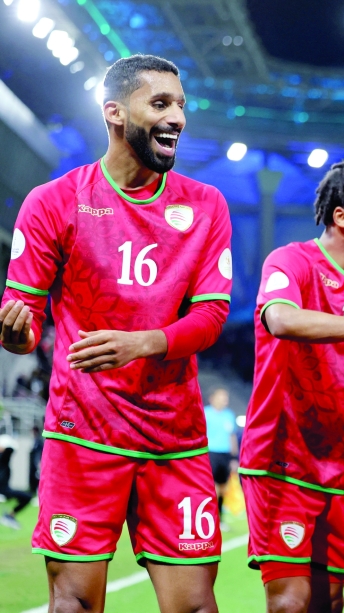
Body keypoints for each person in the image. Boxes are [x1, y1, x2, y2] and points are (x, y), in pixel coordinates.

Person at [0, 54, 232, 613]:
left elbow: (210, 318)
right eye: (160, 104)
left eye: (181, 105)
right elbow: (22, 319)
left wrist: (144, 341)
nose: (177, 116)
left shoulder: (205, 206)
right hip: (83, 433)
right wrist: (16, 334)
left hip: (173, 439)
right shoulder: (54, 202)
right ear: (114, 113)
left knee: (196, 606)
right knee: (73, 604)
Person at [239, 161, 344, 613]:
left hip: (343, 466)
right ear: (341, 216)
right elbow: (282, 319)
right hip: (282, 458)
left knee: (329, 599)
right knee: (290, 603)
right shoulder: (292, 261)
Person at [204, 388, 237, 522]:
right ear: (213, 398)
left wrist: (234, 458)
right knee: (211, 487)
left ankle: (220, 518)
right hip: (211, 453)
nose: (225, 400)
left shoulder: (229, 415)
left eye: (226, 397)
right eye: (222, 397)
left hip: (226, 454)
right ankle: (209, 518)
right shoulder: (205, 413)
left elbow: (232, 437)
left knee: (223, 487)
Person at [0, 434, 33, 530]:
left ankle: (10, 516)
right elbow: (10, 450)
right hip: (2, 490)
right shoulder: (2, 458)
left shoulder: (3, 458)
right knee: (27, 497)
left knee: (27, 497)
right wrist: (8, 443)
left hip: (5, 489)